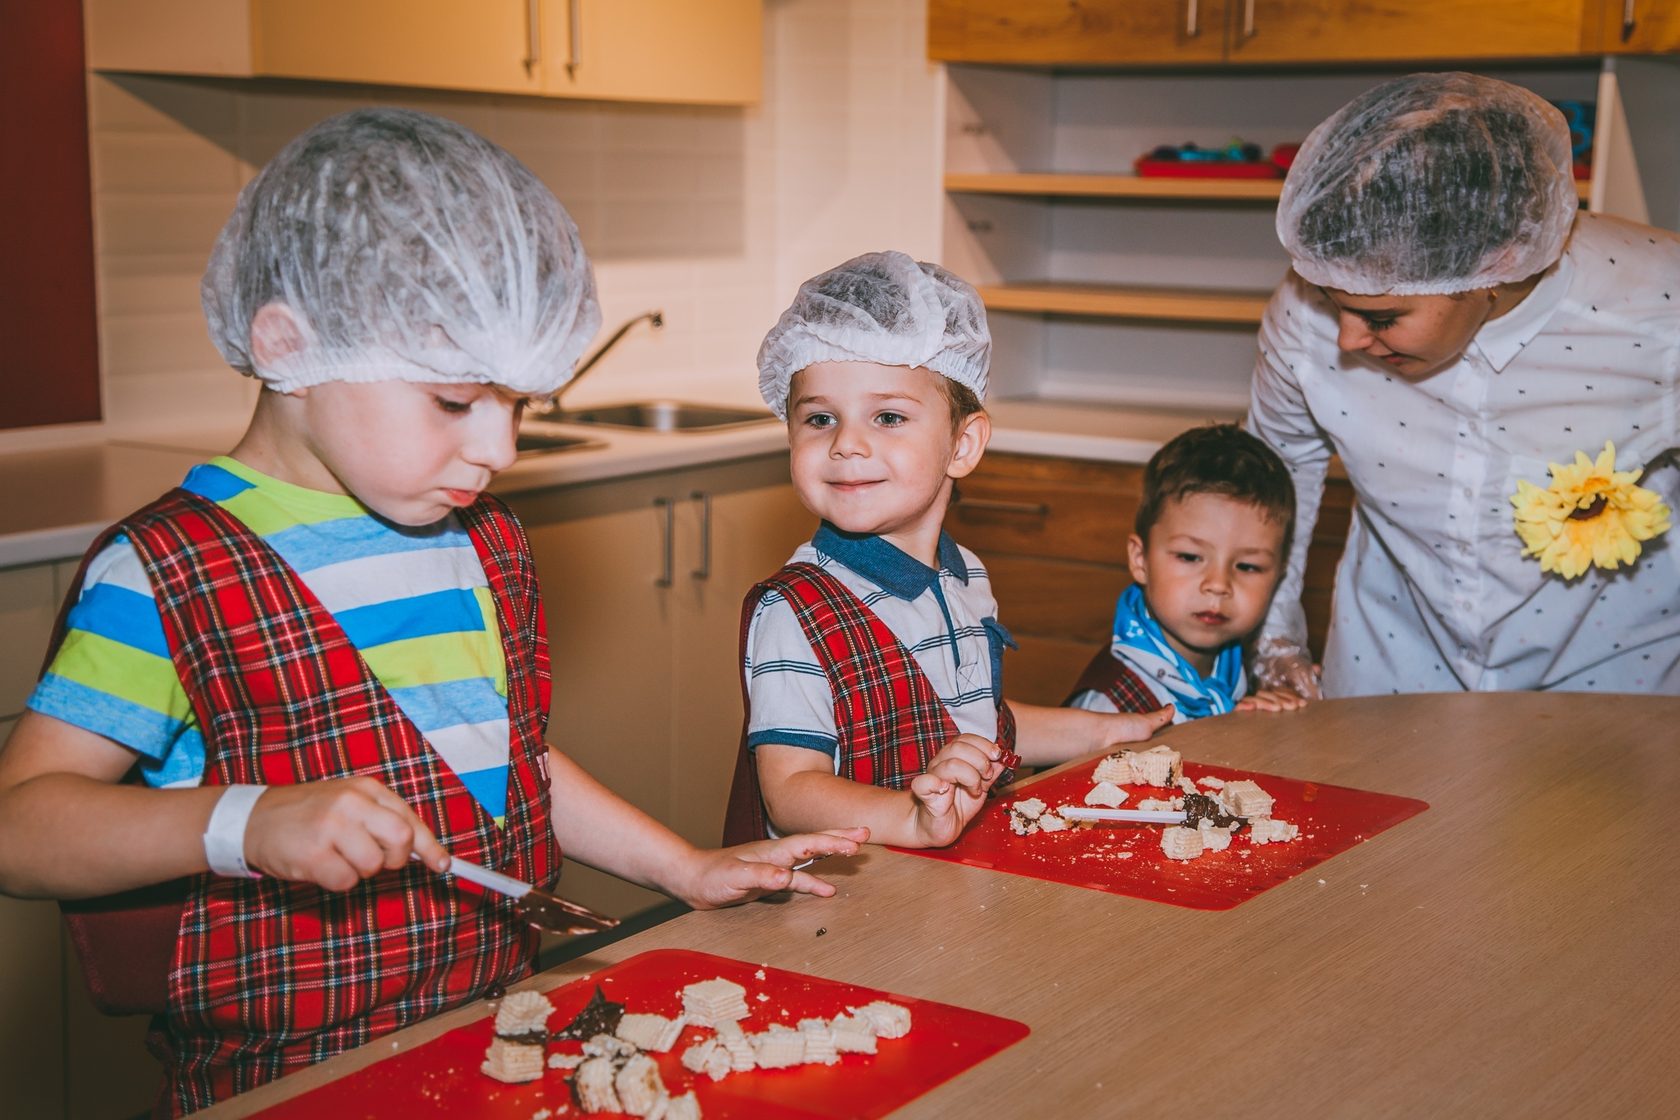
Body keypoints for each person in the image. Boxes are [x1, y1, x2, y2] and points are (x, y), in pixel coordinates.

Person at [0, 108, 863, 1116]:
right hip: (284, 1084)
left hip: (493, 1047)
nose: (498, 446)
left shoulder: (480, 542)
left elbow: (509, 761)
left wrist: (687, 867)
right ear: (291, 344)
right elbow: (22, 828)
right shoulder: (166, 573)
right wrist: (243, 820)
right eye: (455, 402)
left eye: (519, 404)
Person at [722, 251, 1173, 851]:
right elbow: (791, 788)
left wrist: (1108, 732)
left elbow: (977, 720)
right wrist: (910, 816)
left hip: (947, 892)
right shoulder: (796, 610)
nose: (847, 444)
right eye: (820, 418)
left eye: (887, 416)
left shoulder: (964, 575)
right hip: (844, 912)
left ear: (963, 445)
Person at [1248, 72, 1680, 698]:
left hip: (1613, 675)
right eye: (1330, 300)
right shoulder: (1303, 311)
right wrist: (1275, 638)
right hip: (1390, 662)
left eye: (1380, 318)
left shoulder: (1659, 310)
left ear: (1495, 268)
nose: (1345, 339)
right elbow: (1278, 469)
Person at [1065, 424, 1307, 719]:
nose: (1218, 585)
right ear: (1141, 559)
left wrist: (1266, 727)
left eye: (1247, 566)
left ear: (1279, 575)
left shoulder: (1237, 671)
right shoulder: (1109, 707)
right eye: (1191, 557)